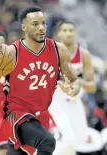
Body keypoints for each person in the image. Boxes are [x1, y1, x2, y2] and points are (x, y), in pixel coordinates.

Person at [0, 6, 81, 155]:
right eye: (35, 24)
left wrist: (73, 89)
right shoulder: (11, 54)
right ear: (24, 28)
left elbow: (74, 80)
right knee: (47, 142)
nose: (41, 28)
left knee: (23, 151)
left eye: (43, 23)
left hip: (41, 115)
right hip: (15, 113)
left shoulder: (58, 50)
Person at [49, 21, 103, 154]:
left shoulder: (83, 54)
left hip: (74, 99)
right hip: (54, 100)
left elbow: (92, 87)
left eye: (70, 30)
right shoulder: (48, 54)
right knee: (66, 138)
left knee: (82, 140)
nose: (68, 34)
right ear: (57, 34)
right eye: (64, 31)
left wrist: (79, 82)